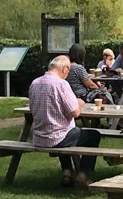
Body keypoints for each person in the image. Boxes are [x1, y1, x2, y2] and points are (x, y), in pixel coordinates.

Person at [27, 54, 101, 187]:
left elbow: (32, 109)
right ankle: (83, 175)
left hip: (39, 138)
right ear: (65, 69)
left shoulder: (35, 83)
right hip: (57, 138)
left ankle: (67, 172)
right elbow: (75, 113)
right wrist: (79, 103)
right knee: (93, 135)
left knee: (63, 128)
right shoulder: (61, 84)